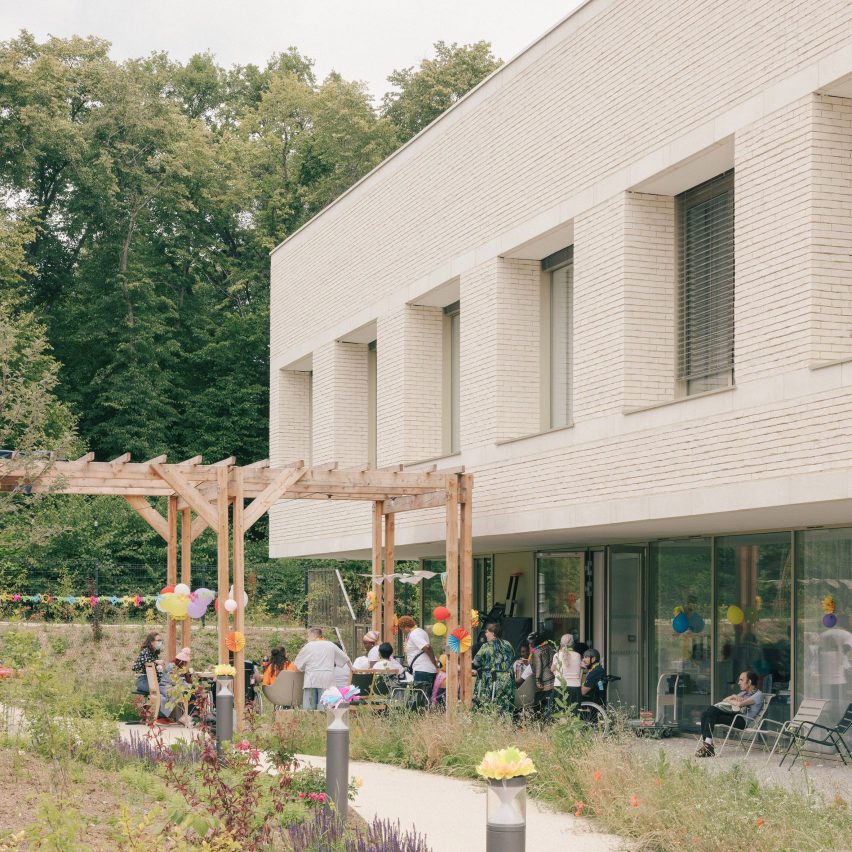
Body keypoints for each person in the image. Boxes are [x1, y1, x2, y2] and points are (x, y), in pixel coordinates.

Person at [695, 670, 763, 757]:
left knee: (710, 712)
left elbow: (740, 704)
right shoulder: (743, 693)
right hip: (733, 716)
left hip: (741, 721)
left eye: (741, 680)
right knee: (706, 714)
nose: (739, 683)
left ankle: (708, 746)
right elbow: (724, 701)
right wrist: (733, 696)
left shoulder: (758, 695)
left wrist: (732, 699)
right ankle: (708, 744)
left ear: (749, 682)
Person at [293, 627, 352, 710]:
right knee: (324, 708)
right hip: (327, 679)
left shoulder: (308, 646)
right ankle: (323, 721)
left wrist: (302, 669)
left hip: (311, 679)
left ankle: (311, 721)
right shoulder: (330, 644)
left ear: (311, 635)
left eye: (308, 636)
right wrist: (352, 669)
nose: (307, 638)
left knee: (309, 708)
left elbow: (297, 666)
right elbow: (346, 658)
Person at [472, 622, 516, 714]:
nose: (485, 634)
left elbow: (476, 662)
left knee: (490, 702)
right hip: (507, 678)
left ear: (492, 633)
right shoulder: (507, 644)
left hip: (492, 678)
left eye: (487, 632)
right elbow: (513, 656)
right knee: (505, 702)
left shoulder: (486, 646)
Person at [398, 615, 439, 699]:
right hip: (425, 669)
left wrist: (434, 663)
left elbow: (427, 647)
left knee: (420, 698)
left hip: (422, 670)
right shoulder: (420, 631)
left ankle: (422, 712)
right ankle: (428, 711)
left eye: (402, 630)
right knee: (426, 697)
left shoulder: (414, 634)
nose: (403, 632)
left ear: (405, 627)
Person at [159, 647, 193, 721]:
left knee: (188, 692)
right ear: (182, 662)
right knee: (188, 693)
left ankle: (184, 716)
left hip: (166, 686)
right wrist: (189, 686)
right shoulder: (173, 668)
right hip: (166, 688)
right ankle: (186, 717)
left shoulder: (173, 666)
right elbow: (176, 682)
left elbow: (178, 681)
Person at [529, 632, 556, 718]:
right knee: (550, 700)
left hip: (544, 680)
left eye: (531, 642)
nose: (530, 644)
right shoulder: (549, 647)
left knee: (539, 702)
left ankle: (540, 720)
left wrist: (537, 680)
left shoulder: (537, 651)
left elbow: (538, 667)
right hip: (553, 677)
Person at [552, 633, 582, 708]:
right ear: (573, 644)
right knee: (574, 713)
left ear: (561, 644)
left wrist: (557, 675)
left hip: (560, 686)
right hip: (574, 686)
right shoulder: (578, 655)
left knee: (559, 713)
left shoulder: (557, 655)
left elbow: (552, 669)